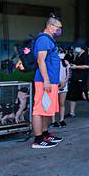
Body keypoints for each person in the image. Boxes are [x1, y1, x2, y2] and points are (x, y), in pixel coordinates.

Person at [31, 15, 64, 149]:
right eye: (58, 27)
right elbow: (40, 61)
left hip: (51, 80)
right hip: (44, 80)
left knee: (46, 108)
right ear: (50, 26)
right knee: (39, 109)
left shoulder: (49, 40)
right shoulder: (44, 40)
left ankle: (44, 134)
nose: (59, 30)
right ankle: (38, 139)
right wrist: (46, 80)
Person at [68, 47, 89, 117]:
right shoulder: (77, 55)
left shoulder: (85, 55)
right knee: (72, 95)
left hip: (82, 78)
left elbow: (87, 66)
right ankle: (72, 112)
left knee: (85, 95)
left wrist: (76, 67)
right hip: (75, 78)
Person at [51, 49, 70, 128]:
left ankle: (61, 120)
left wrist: (65, 82)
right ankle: (53, 121)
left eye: (62, 52)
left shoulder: (66, 62)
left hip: (64, 84)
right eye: (59, 52)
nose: (61, 54)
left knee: (62, 103)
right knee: (53, 103)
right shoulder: (53, 62)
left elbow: (68, 74)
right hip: (55, 84)